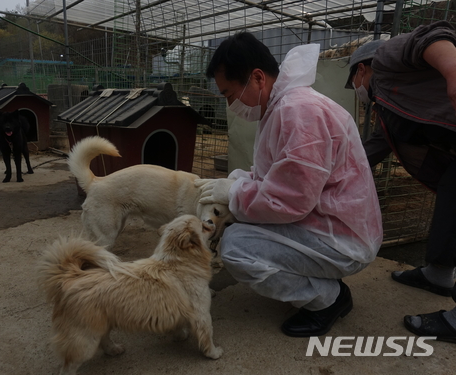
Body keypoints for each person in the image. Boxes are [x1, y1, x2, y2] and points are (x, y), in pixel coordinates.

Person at [195, 32, 383, 337]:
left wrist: (234, 193)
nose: (231, 105)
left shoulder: (298, 112)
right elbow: (278, 176)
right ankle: (323, 283)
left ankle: (328, 300)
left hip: (342, 239)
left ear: (257, 78)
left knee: (237, 248)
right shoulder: (283, 107)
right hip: (328, 223)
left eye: (229, 94)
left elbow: (291, 200)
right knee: (239, 227)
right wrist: (237, 182)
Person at [345, 20, 456, 342]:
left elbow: (434, 34)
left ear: (363, 69)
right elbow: (374, 148)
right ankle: (437, 276)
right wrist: (331, 176)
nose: (355, 89)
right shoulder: (389, 106)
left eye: (353, 80)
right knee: (450, 207)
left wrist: (452, 73)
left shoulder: (387, 58)